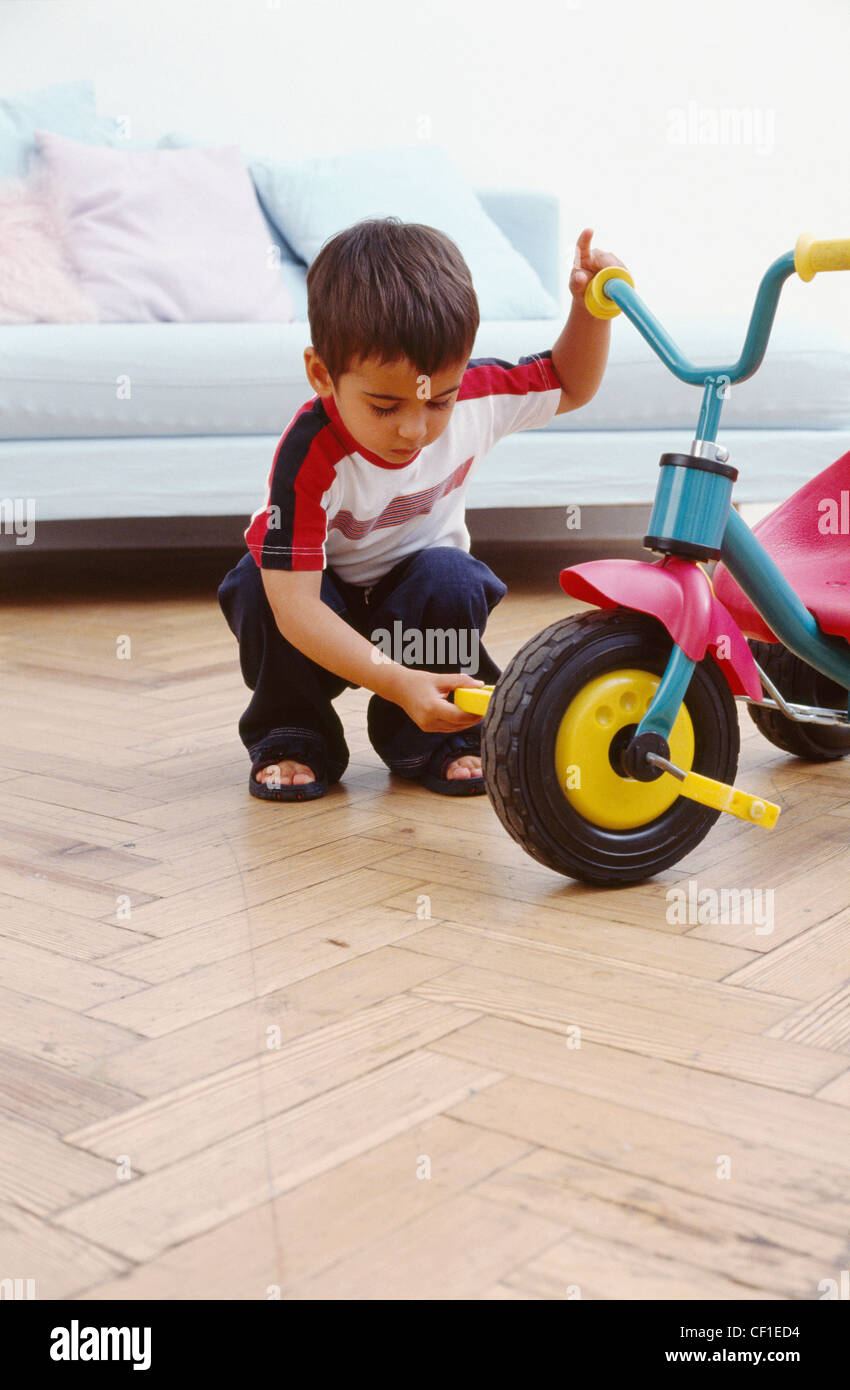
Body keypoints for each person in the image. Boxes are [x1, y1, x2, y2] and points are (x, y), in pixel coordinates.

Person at [218, 218, 625, 801]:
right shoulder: (308, 455)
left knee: (452, 575)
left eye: (440, 401)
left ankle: (429, 737)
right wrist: (391, 678)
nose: (414, 429)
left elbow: (569, 382)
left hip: (417, 614)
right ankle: (293, 732)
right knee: (259, 586)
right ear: (322, 376)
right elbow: (296, 608)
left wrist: (590, 309)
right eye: (384, 406)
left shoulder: (481, 395)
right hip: (316, 609)